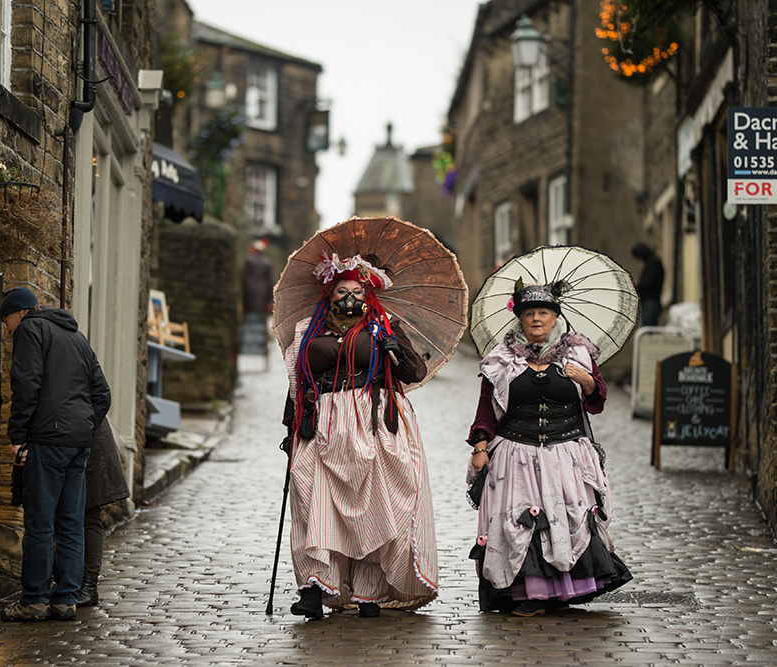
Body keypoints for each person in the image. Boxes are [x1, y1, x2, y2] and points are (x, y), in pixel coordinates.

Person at [281, 253, 438, 620]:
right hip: (322, 425)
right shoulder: (309, 330)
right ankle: (316, 586)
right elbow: (297, 382)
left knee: (374, 507)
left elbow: (415, 373)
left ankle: (369, 592)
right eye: (341, 290)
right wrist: (290, 427)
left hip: (374, 423)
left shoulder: (384, 326)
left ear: (368, 294)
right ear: (329, 293)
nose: (348, 296)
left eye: (356, 289)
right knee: (314, 502)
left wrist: (394, 348)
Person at [466, 281, 633, 617]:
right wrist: (480, 445)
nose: (537, 319)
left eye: (544, 312)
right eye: (530, 313)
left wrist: (586, 381)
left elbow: (596, 401)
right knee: (521, 523)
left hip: (566, 456)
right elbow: (486, 408)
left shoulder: (579, 354)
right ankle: (528, 593)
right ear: (520, 318)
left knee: (567, 520)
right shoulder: (501, 360)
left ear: (556, 317)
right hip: (516, 455)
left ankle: (561, 592)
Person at [0, 286, 111, 622]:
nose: (7, 330)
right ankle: (65, 601)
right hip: (78, 444)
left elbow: (26, 383)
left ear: (19, 312)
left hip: (47, 440)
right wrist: (84, 429)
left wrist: (17, 436)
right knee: (72, 523)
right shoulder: (77, 337)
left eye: (6, 321)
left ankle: (33, 600)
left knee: (40, 523)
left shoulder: (31, 329)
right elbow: (102, 394)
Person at [76, 417, 130, 607]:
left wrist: (86, 422)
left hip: (88, 440)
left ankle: (89, 586)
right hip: (73, 436)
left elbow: (101, 396)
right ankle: (72, 583)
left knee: (89, 514)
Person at [631, 242, 665, 327]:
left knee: (649, 329)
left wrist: (637, 285)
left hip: (651, 302)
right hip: (649, 302)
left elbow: (648, 283)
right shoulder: (651, 263)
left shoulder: (653, 264)